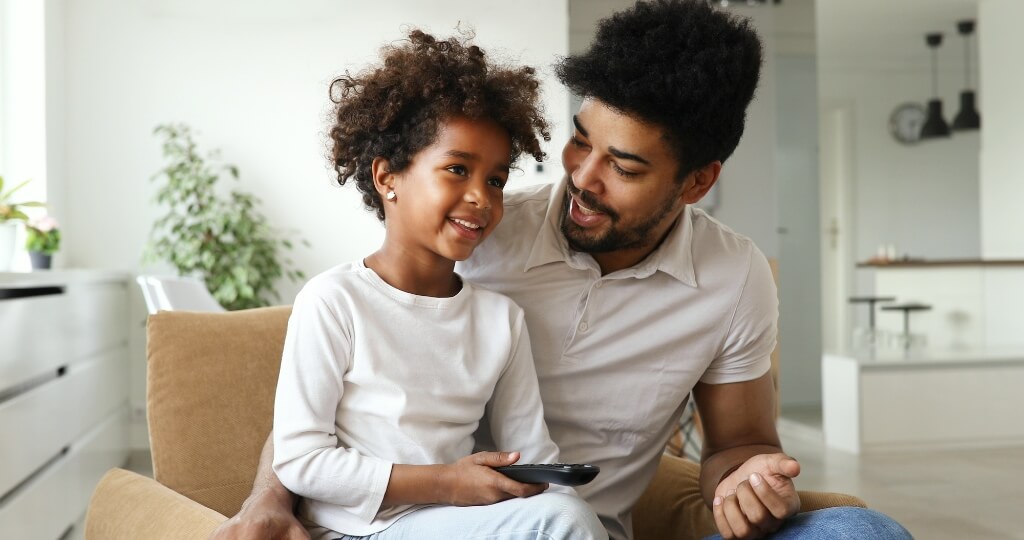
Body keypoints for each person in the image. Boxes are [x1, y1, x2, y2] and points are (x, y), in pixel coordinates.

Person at [213, 2, 913, 539]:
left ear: (697, 182)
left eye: (626, 166)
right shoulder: (476, 233)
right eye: (580, 140)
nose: (583, 176)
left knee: (862, 531)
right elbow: (344, 378)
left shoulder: (732, 278)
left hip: (571, 525)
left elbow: (741, 446)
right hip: (449, 521)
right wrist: (268, 499)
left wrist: (749, 484)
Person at [270, 29, 606, 540]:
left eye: (495, 179)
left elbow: (532, 453)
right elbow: (301, 460)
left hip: (454, 524)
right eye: (456, 169)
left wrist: (554, 491)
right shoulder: (333, 301)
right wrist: (446, 482)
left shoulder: (499, 319)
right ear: (388, 178)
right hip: (355, 530)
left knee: (569, 516)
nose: (482, 197)